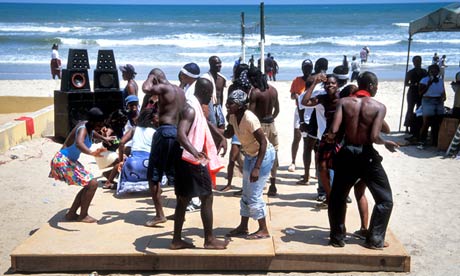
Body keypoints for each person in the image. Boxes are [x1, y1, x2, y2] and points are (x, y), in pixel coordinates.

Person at [327, 71, 398, 249]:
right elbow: (374, 136)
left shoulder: (344, 102)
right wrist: (386, 143)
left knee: (338, 197)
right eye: (377, 86)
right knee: (384, 199)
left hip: (347, 153)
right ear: (372, 86)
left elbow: (334, 129)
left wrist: (330, 137)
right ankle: (374, 239)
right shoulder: (378, 107)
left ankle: (337, 237)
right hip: (366, 156)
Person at [171, 77, 228, 250]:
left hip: (183, 158)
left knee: (183, 199)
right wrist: (195, 152)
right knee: (207, 197)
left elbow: (204, 122)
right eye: (210, 95)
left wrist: (220, 136)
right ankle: (209, 240)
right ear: (204, 92)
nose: (211, 99)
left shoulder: (194, 105)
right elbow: (180, 134)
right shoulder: (190, 109)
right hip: (191, 160)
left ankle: (176, 240)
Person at [224, 90, 275, 240]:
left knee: (254, 194)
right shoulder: (232, 116)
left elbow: (264, 142)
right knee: (245, 192)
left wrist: (257, 168)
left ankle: (263, 229)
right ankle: (243, 226)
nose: (227, 105)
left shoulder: (249, 119)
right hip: (250, 155)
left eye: (231, 103)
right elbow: (228, 133)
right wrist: (210, 126)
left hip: (262, 156)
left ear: (240, 105)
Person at [49, 107, 112, 223]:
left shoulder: (88, 126)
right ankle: (82, 215)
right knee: (92, 183)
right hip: (63, 161)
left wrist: (104, 138)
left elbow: (92, 132)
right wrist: (92, 153)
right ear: (92, 122)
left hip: (68, 160)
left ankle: (72, 214)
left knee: (89, 184)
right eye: (99, 124)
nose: (100, 127)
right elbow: (79, 143)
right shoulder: (82, 129)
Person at [142, 68, 186, 227]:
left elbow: (145, 89)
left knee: (153, 175)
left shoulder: (164, 88)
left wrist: (150, 76)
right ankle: (180, 212)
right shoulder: (180, 91)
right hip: (177, 133)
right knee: (176, 176)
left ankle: (160, 214)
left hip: (165, 132)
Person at [247, 67, 280, 197]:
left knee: (258, 154)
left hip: (259, 125)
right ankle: (273, 183)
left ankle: (259, 183)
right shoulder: (273, 90)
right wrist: (271, 119)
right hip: (272, 124)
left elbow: (250, 113)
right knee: (274, 154)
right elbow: (277, 110)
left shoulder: (255, 92)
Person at [220, 64, 250, 192]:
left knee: (245, 158)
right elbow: (228, 104)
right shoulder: (234, 87)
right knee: (233, 157)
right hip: (235, 122)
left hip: (245, 124)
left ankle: (244, 185)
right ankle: (229, 183)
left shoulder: (250, 88)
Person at [116, 108, 158, 195]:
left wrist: (121, 160)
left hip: (132, 164)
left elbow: (121, 143)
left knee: (128, 165)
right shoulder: (155, 132)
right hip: (148, 165)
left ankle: (131, 185)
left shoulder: (134, 129)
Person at [288, 59, 313, 173]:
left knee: (309, 139)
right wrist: (296, 95)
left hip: (311, 111)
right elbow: (292, 96)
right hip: (299, 111)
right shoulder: (297, 80)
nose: (307, 70)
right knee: (297, 136)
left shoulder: (314, 80)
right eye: (305, 67)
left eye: (309, 67)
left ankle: (309, 166)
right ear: (302, 68)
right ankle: (293, 161)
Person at [418, 64, 446, 149]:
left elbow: (443, 91)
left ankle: (434, 140)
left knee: (437, 122)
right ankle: (422, 141)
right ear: (429, 71)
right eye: (432, 71)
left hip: (438, 100)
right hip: (427, 100)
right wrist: (429, 84)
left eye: (436, 71)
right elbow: (420, 93)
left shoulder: (440, 80)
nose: (434, 72)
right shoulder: (424, 80)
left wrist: (443, 97)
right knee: (426, 122)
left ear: (438, 72)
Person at [404, 56, 428, 137]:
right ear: (413, 62)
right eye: (415, 61)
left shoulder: (424, 72)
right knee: (410, 109)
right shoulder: (410, 72)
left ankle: (417, 127)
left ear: (421, 61)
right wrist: (414, 84)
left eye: (418, 61)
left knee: (419, 110)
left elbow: (427, 81)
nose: (417, 63)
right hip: (412, 92)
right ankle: (407, 127)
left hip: (421, 93)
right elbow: (406, 83)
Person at [202, 56, 227, 130]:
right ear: (211, 64)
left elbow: (221, 95)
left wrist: (220, 109)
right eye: (217, 63)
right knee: (212, 128)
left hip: (218, 107)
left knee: (222, 128)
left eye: (220, 63)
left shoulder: (222, 79)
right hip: (209, 107)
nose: (220, 65)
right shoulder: (205, 79)